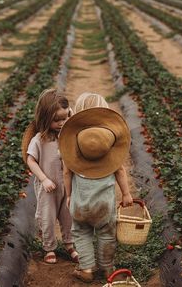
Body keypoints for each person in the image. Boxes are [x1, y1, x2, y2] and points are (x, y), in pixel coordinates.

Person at [59, 93, 133, 282]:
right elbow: (121, 171)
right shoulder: (107, 144)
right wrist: (126, 194)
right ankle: (107, 269)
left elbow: (66, 173)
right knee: (106, 234)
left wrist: (69, 196)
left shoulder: (73, 142)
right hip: (104, 206)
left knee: (81, 233)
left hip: (80, 204)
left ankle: (86, 269)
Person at [22, 88, 78, 264]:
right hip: (48, 188)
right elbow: (30, 161)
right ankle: (49, 247)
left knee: (69, 215)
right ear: (45, 118)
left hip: (67, 186)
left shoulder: (67, 134)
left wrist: (71, 115)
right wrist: (44, 179)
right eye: (57, 120)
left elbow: (76, 123)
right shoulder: (39, 139)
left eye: (65, 118)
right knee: (47, 217)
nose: (62, 122)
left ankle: (70, 244)